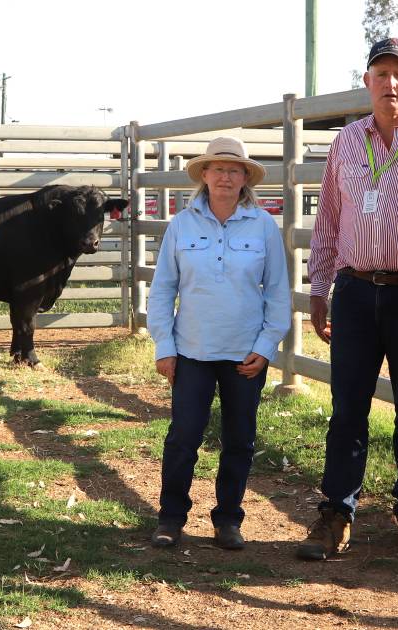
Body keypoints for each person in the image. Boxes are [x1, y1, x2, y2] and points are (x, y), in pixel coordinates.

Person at [298, 37, 398, 561]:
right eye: (380, 73)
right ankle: (336, 512)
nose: (390, 83)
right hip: (351, 289)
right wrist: (318, 289)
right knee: (347, 407)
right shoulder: (347, 140)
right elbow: (328, 218)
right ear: (366, 82)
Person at [146, 136, 291, 550]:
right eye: (218, 169)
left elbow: (278, 293)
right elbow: (162, 290)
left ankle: (228, 519)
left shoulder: (263, 225)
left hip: (244, 353)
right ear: (204, 175)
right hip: (191, 349)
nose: (226, 176)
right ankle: (171, 518)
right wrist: (164, 346)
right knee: (183, 437)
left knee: (240, 438)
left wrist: (265, 347)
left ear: (245, 177)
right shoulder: (181, 224)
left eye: (234, 169)